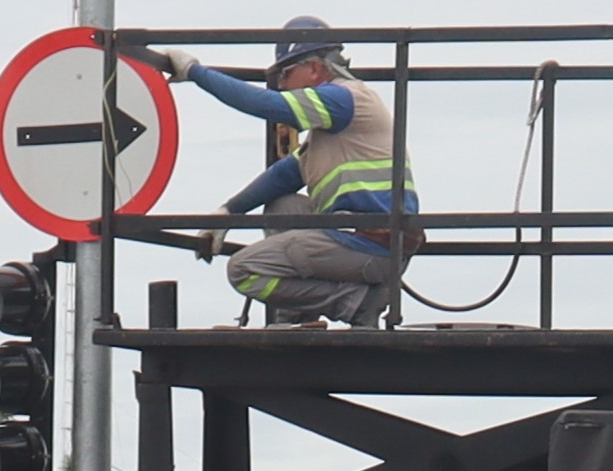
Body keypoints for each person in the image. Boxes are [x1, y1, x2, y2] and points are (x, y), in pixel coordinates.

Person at [163, 17, 421, 327]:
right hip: (362, 241)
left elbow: (265, 104)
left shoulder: (342, 99)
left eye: (285, 73)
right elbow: (283, 175)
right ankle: (299, 315)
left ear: (314, 68)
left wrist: (195, 72)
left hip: (367, 245)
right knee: (281, 208)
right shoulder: (332, 129)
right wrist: (227, 213)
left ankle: (354, 303)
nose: (282, 84)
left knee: (243, 271)